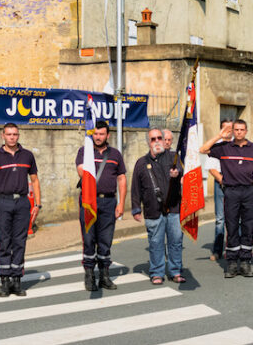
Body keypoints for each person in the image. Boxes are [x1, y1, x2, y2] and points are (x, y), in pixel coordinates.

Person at [200, 119, 253, 278]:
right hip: (231, 192)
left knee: (248, 227)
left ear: (246, 131)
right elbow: (203, 149)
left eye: (242, 129)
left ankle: (245, 262)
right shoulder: (224, 147)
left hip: (248, 191)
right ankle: (231, 263)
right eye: (236, 130)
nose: (239, 132)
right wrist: (219, 135)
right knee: (232, 226)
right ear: (232, 131)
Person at [0, 123, 40, 297]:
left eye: (15, 134)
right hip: (4, 203)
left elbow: (35, 180)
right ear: (3, 136)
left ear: (18, 135)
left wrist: (37, 204)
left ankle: (17, 280)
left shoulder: (27, 155)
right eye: (9, 134)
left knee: (20, 242)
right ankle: (5, 281)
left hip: (22, 203)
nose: (12, 137)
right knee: (5, 242)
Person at [74, 119, 127, 291]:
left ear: (107, 135)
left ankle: (104, 275)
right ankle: (89, 276)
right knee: (89, 239)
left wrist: (121, 204)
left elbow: (122, 179)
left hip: (109, 201)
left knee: (105, 240)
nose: (98, 137)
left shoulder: (115, 154)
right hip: (89, 201)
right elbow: (82, 171)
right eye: (95, 133)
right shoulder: (84, 151)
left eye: (101, 134)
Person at [131, 127, 184, 284]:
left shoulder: (174, 157)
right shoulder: (141, 163)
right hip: (153, 210)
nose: (157, 141)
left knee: (176, 242)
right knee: (155, 243)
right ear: (149, 142)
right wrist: (136, 209)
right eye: (153, 139)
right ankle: (157, 273)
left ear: (164, 139)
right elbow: (135, 188)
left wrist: (177, 173)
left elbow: (180, 170)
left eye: (159, 138)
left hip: (174, 208)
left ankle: (175, 271)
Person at [206, 119, 232, 261]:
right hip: (221, 184)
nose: (228, 130)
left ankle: (234, 249)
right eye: (225, 128)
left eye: (230, 128)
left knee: (236, 219)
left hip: (236, 185)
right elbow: (211, 167)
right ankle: (217, 250)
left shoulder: (238, 144)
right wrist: (223, 180)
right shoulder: (216, 146)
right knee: (220, 219)